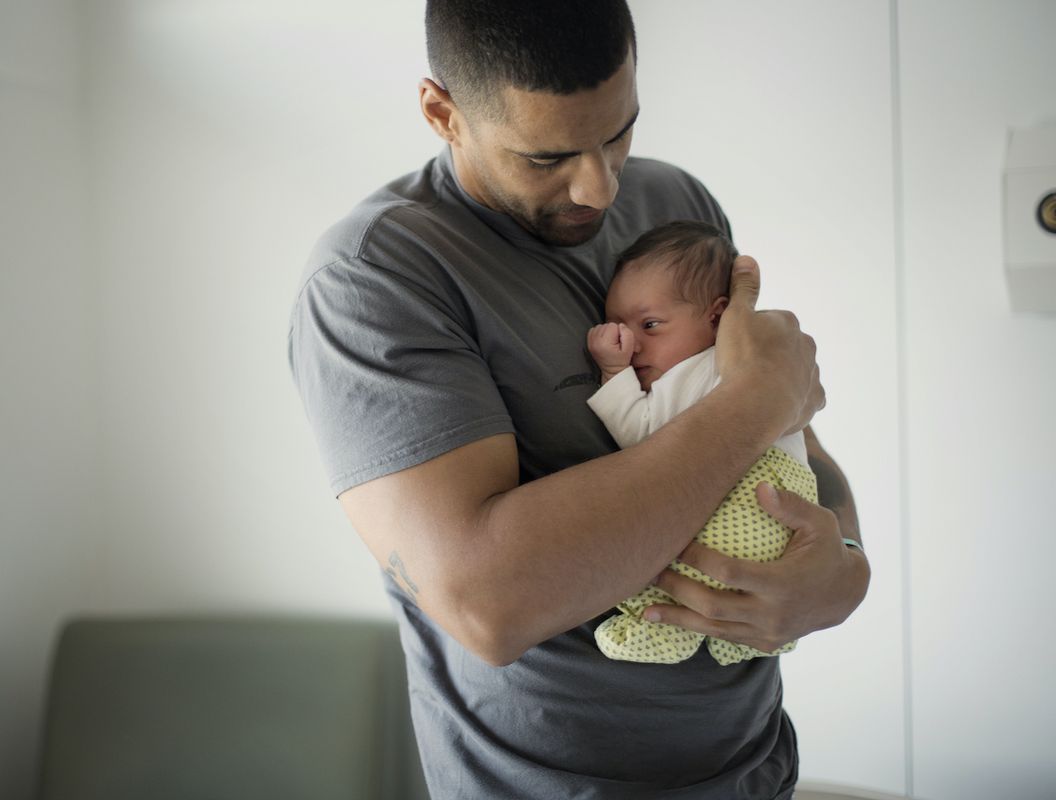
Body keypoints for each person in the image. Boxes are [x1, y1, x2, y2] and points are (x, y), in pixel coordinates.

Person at [288, 1, 869, 797]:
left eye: (619, 132)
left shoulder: (678, 207)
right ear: (442, 113)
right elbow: (488, 605)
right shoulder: (374, 279)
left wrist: (845, 567)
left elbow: (792, 438)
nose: (598, 185)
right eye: (547, 156)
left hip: (758, 768)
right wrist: (752, 405)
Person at [585, 220, 818, 667]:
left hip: (744, 507)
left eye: (650, 325)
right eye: (619, 327)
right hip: (787, 513)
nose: (631, 343)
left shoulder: (688, 374)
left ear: (717, 316)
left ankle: (657, 631)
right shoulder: (759, 360)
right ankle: (738, 642)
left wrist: (614, 373)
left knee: (662, 576)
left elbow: (638, 433)